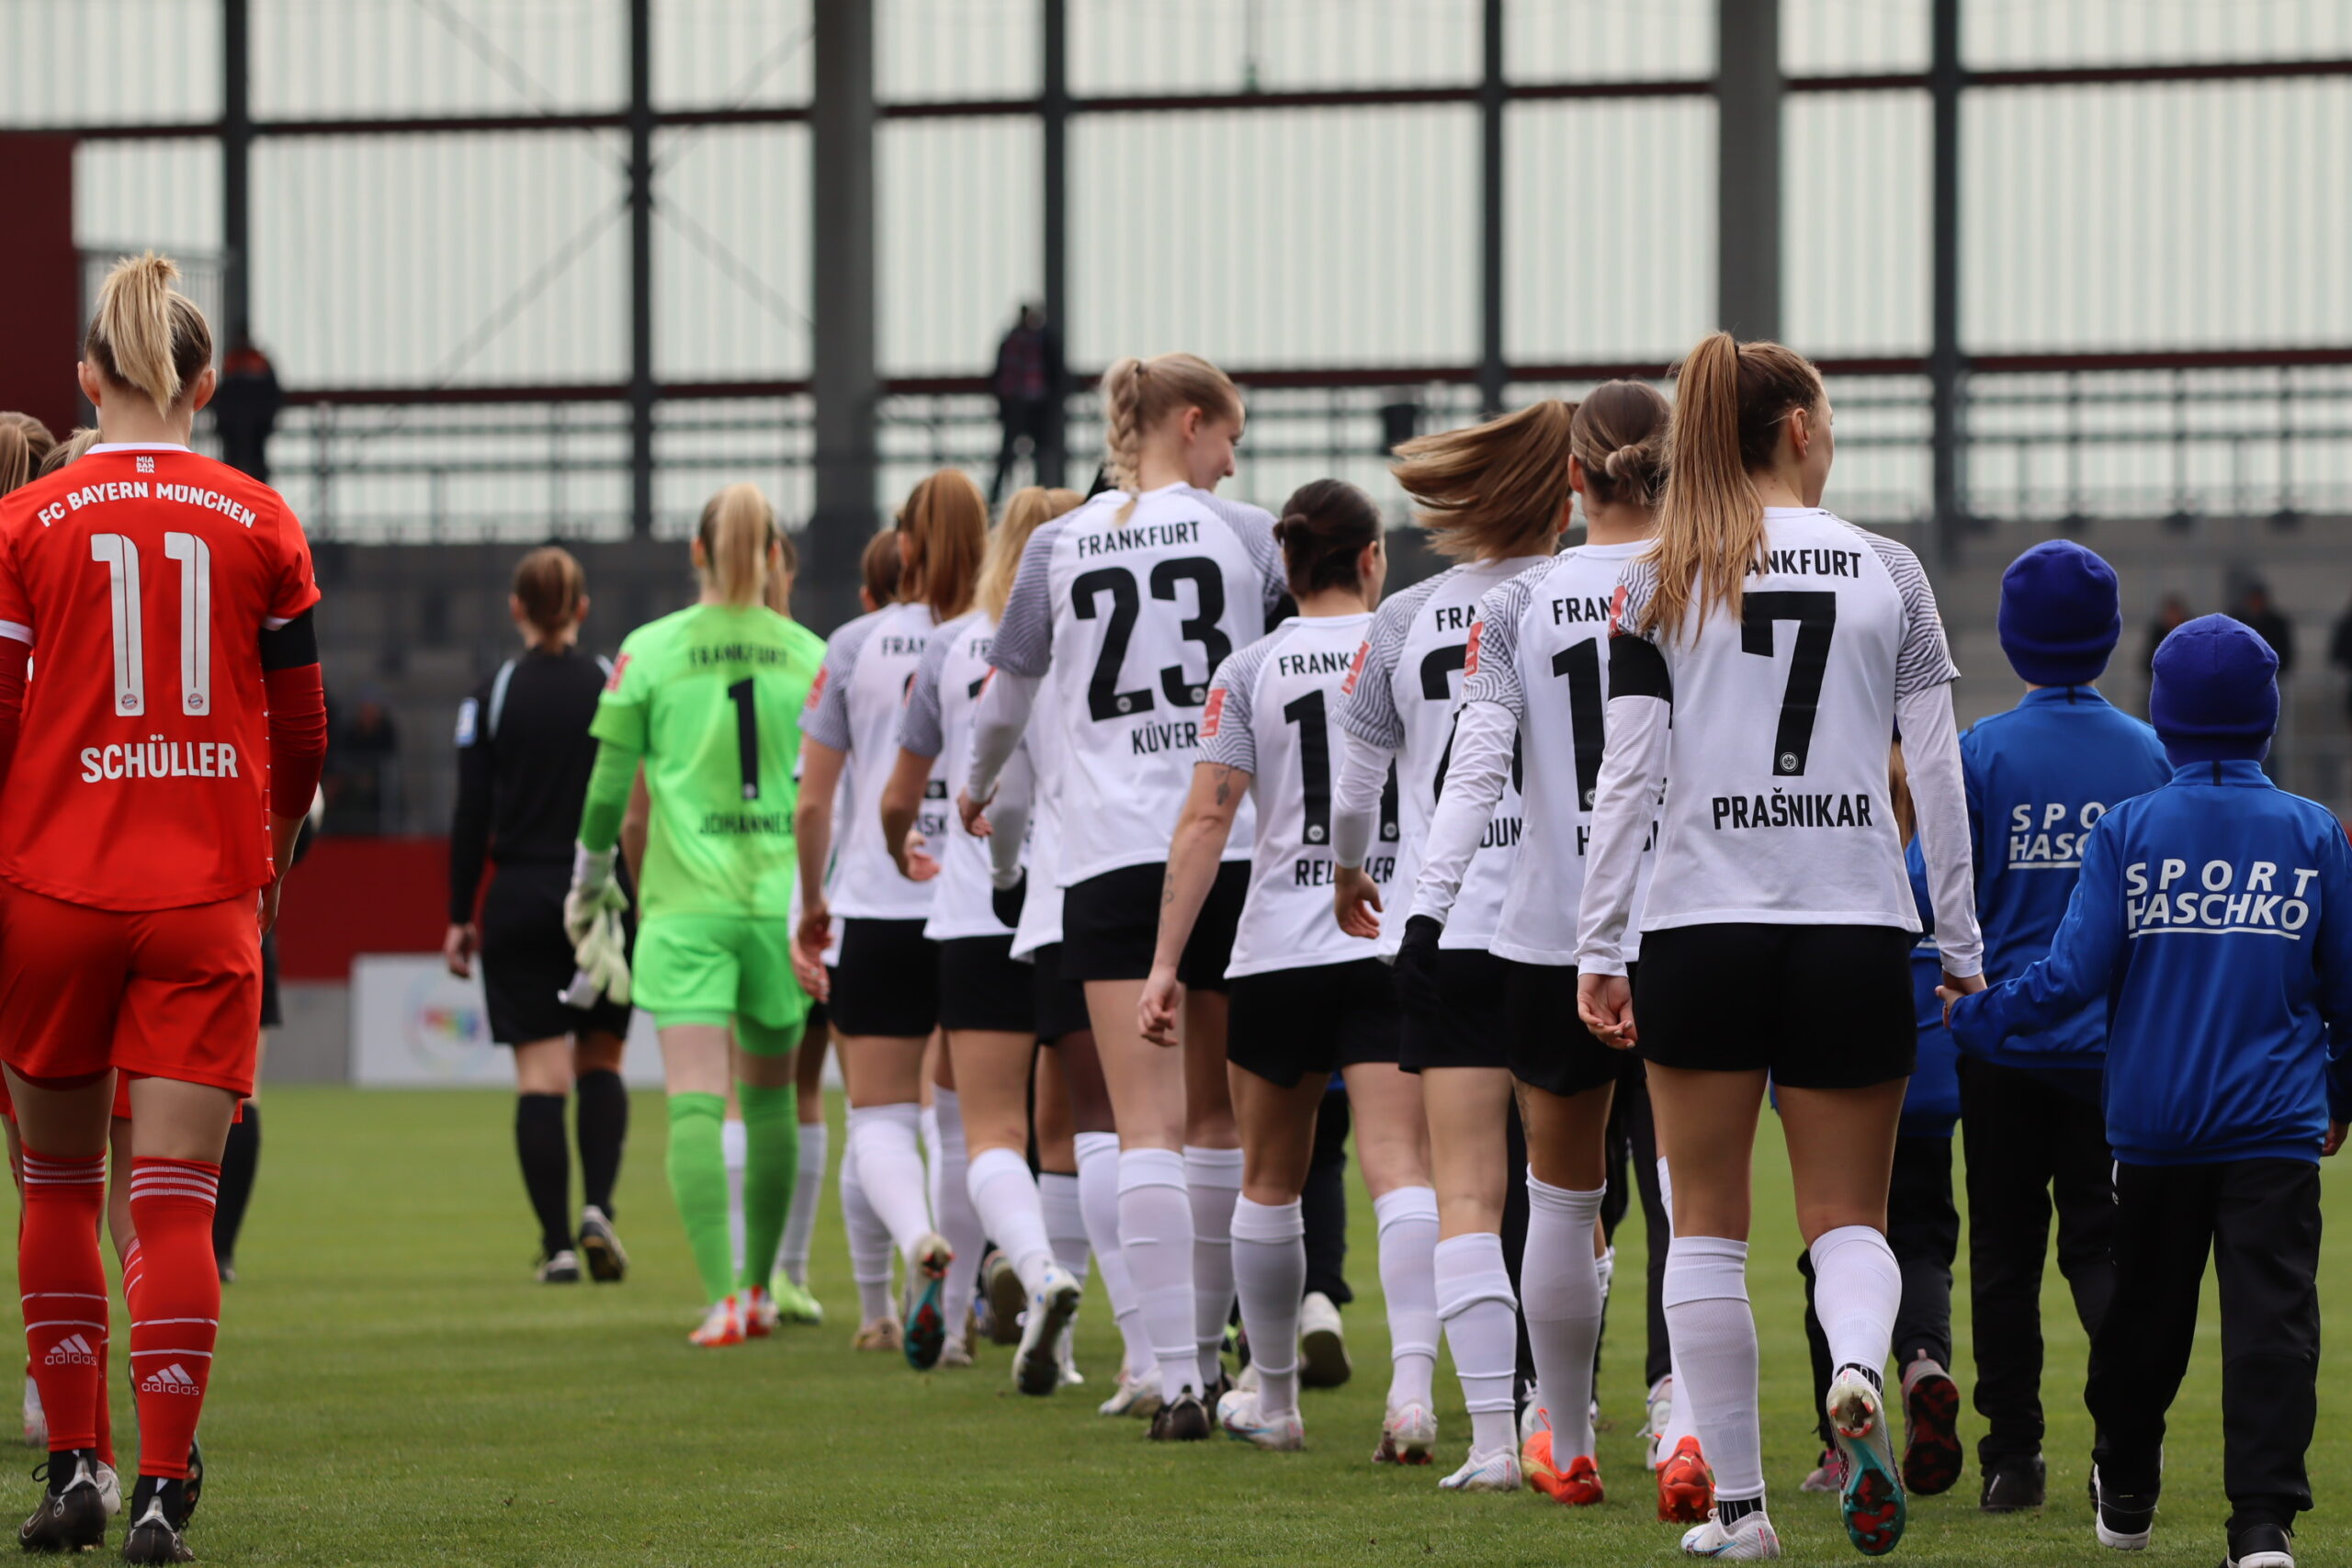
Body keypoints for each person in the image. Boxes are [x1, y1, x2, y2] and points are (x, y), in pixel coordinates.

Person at [1574, 333, 1984, 1562]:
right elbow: (1939, 774)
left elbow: (1626, 778)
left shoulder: (1657, 575)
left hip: (1698, 926)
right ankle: (1855, 1363)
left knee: (1701, 1226)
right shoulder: (1890, 570)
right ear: (1798, 428)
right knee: (1850, 1217)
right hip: (1853, 923)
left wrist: (1600, 943)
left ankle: (1743, 1513)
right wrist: (1959, 942)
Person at [0, 253, 328, 1562]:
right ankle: (159, 1490)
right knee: (178, 1200)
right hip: (202, 893)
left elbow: (4, 720)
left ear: (88, 380)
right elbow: (303, 737)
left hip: (54, 890)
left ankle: (72, 1463)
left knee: (57, 1187)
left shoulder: (25, 522)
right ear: (202, 385)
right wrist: (272, 858)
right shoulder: (262, 519)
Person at [1945, 615, 2352, 1568]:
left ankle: (2126, 1485)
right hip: (2275, 1128)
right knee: (2274, 1325)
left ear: (2165, 717)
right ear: (2266, 717)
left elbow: (2072, 976)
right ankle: (2262, 1523)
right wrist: (2339, 1095)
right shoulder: (2314, 833)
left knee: (2143, 1324)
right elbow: (2344, 989)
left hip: (2156, 1130)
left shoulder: (2129, 830)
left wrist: (1977, 1017)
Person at [961, 352, 1283, 1440]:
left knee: (1140, 1126)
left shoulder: (1056, 544)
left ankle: (1175, 1379)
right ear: (1188, 423)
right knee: (1213, 1120)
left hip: (1104, 858)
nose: (1231, 460)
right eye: (1227, 436)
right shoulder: (1246, 535)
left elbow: (1005, 699)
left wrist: (974, 787)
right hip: (1225, 846)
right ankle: (1214, 1360)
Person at [1398, 383, 1678, 1509]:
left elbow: (1476, 768)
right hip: (1684, 920)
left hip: (1546, 930)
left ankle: (1561, 1437)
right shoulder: (1708, 580)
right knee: (1687, 1192)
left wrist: (1428, 905)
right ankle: (1682, 1421)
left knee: (1558, 1197)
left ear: (1573, 478)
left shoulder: (1520, 601)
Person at [1138, 478, 1440, 1461]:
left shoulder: (1249, 668)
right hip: (1389, 934)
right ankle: (1410, 1396)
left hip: (1276, 949)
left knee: (1267, 1178)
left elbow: (1206, 818)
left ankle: (1273, 1398)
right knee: (1403, 1169)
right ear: (1370, 558)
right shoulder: (1403, 647)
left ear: (1287, 564)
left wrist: (1165, 964)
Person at [1327, 398, 1577, 1492]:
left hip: (1452, 920)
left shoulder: (1407, 616)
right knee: (1574, 1195)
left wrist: (1351, 869)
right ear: (1565, 494)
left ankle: (1489, 1443)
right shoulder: (1587, 594)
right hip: (1564, 925)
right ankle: (1568, 1418)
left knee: (1465, 1193)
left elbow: (1356, 786)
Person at [565, 483, 823, 1348]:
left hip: (683, 907)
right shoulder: (809, 653)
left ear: (697, 553)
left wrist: (590, 879)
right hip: (777, 904)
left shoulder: (650, 650)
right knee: (774, 1101)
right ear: (775, 555)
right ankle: (761, 1286)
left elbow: (610, 793)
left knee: (694, 1105)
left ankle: (723, 1298)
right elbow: (831, 793)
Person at [1941, 540, 2171, 1512]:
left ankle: (2012, 1457)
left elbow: (1925, 886)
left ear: (2011, 638)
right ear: (2110, 638)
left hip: (2000, 1039)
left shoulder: (1980, 753)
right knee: (2100, 1245)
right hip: (2113, 1049)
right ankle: (2123, 1436)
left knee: (2003, 1253)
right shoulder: (2149, 753)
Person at [884, 479, 1084, 1394]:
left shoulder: (953, 645)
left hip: (977, 912)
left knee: (981, 1131)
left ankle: (1003, 1291)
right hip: (1075, 904)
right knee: (1079, 1134)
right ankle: (1092, 1346)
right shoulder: (1094, 633)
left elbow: (904, 792)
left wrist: (903, 843)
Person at [793, 473, 974, 1371]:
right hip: (971, 906)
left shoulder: (853, 646)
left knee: (877, 1121)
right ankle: (961, 1321)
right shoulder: (991, 639)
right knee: (964, 1127)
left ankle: (907, 1258)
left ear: (903, 546)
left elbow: (812, 804)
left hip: (877, 903)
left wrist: (811, 904)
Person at [446, 546, 636, 1283]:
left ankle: (557, 1247)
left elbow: (470, 815)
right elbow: (636, 796)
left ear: (516, 608)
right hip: (601, 896)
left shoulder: (490, 695)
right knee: (601, 1062)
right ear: (582, 608)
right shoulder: (611, 684)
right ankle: (599, 1210)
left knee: (540, 1077)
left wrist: (459, 914)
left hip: (520, 897)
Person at [1800, 749, 1963, 1502]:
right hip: (1926, 1077)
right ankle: (1923, 1362)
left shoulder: (1828, 857)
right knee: (1922, 1238)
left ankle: (1841, 1441)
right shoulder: (1936, 858)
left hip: (1838, 1077)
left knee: (1834, 1246)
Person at [989, 304, 1061, 504]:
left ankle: (1041, 496)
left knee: (1039, 455)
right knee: (1012, 457)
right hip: (1020, 405)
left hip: (1034, 407)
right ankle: (1003, 498)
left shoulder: (1028, 341)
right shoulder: (1022, 341)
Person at [209, 341, 280, 485]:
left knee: (237, 464)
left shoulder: (234, 363)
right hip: (250, 429)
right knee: (251, 462)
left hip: (240, 430)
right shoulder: (258, 363)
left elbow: (220, 398)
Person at [2230, 581, 2295, 677]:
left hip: (2271, 675)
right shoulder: (2237, 621)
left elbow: (2285, 653)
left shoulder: (2277, 624)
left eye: (2258, 599)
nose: (2256, 603)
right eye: (2253, 599)